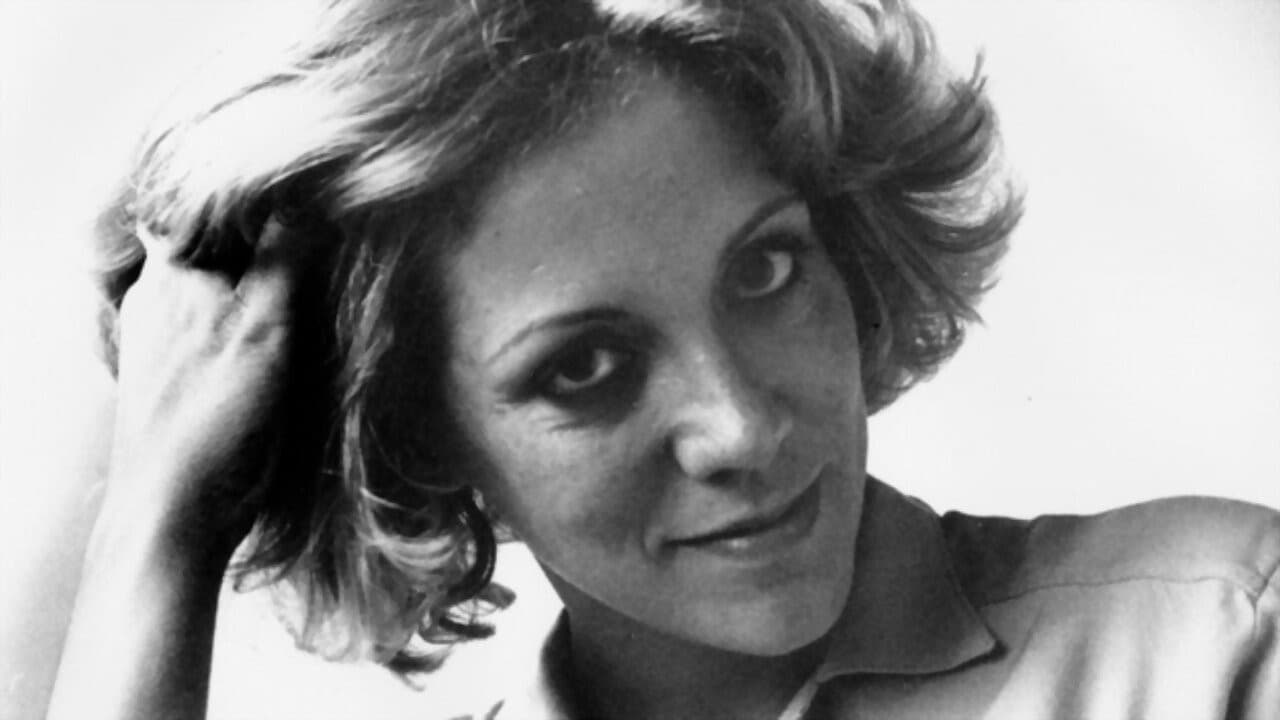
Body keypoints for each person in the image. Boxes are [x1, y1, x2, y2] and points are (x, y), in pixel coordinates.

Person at [44, 0, 1278, 718]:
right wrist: (156, 528)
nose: (740, 426)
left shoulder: (1212, 642)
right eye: (584, 369)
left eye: (764, 273)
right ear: (417, 438)